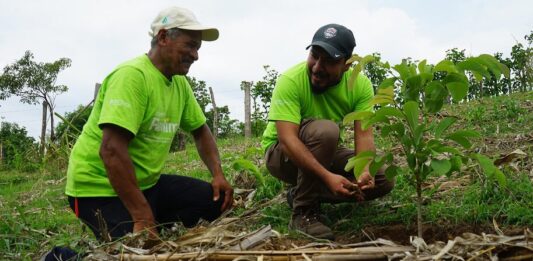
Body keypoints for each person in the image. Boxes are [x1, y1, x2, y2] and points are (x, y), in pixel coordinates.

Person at [42, 6, 233, 261]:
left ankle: (152, 222)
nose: (195, 55)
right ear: (164, 37)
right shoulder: (132, 77)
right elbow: (110, 151)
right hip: (98, 190)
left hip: (146, 185)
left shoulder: (179, 83)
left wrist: (218, 174)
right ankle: (60, 257)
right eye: (190, 45)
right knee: (134, 253)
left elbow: (201, 131)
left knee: (213, 201)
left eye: (197, 48)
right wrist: (142, 217)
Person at [261, 23, 394, 240]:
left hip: (323, 148)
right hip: (281, 155)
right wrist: (327, 177)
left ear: (346, 65)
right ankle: (304, 212)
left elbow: (364, 134)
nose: (317, 67)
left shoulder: (360, 86)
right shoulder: (290, 80)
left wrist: (364, 170)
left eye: (329, 61)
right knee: (326, 131)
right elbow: (286, 140)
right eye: (315, 55)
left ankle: (299, 194)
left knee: (383, 178)